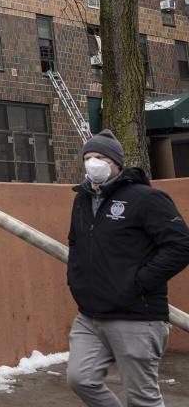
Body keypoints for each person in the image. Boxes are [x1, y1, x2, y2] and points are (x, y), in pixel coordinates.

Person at [67, 129, 189, 407]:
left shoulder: (145, 198)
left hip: (136, 315)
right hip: (90, 315)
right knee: (80, 379)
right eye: (87, 157)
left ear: (116, 162)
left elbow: (181, 246)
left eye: (99, 157)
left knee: (141, 399)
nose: (92, 163)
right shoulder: (82, 199)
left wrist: (137, 283)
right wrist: (75, 282)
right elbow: (75, 243)